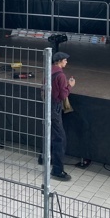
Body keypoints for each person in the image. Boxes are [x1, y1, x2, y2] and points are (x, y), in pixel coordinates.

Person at [49, 51, 75, 181]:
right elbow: (63, 95)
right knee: (60, 138)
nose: (66, 62)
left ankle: (44, 158)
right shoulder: (61, 75)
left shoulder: (49, 71)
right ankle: (57, 170)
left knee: (49, 133)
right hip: (55, 107)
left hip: (47, 105)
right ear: (59, 61)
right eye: (65, 60)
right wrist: (70, 86)